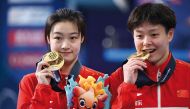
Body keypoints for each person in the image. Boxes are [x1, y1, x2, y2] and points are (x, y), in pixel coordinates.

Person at [17, 8, 105, 109]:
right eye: (58, 38)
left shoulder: (99, 81)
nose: (65, 45)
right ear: (48, 39)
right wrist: (42, 88)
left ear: (82, 39)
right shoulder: (30, 82)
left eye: (72, 38)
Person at [106, 3, 190, 108]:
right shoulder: (119, 77)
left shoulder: (187, 74)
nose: (146, 42)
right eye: (140, 36)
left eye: (154, 34)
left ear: (170, 35)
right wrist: (127, 86)